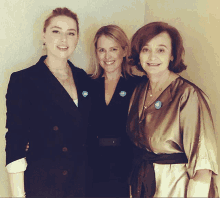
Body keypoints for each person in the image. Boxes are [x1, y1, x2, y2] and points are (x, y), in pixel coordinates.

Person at [5, 7, 91, 197]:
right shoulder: (24, 80)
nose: (63, 39)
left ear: (77, 39)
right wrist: (18, 195)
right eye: (56, 31)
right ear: (44, 36)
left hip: (82, 182)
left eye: (71, 33)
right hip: (45, 184)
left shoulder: (83, 78)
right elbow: (15, 141)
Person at [126, 22, 218, 198]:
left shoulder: (188, 95)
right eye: (146, 49)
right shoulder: (139, 90)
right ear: (139, 55)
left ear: (172, 55)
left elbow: (203, 170)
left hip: (174, 187)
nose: (152, 57)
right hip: (142, 183)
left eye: (161, 50)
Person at [87, 25, 142, 197]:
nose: (107, 56)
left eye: (113, 49)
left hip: (125, 165)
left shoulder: (138, 86)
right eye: (102, 50)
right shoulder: (86, 84)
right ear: (96, 53)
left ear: (124, 51)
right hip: (91, 164)